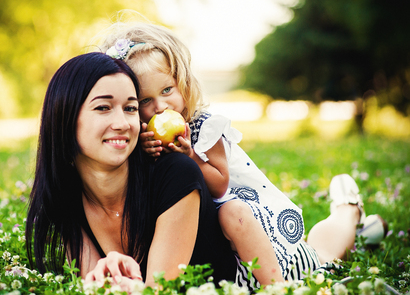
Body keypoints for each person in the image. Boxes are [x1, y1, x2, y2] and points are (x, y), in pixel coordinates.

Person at [98, 21, 388, 290]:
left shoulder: (204, 129)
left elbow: (220, 184)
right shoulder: (141, 137)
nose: (161, 107)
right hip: (223, 249)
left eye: (167, 90)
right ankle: (363, 230)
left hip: (259, 242)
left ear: (183, 84)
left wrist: (191, 157)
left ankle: (346, 209)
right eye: (146, 100)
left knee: (322, 256)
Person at [24, 52, 238, 291]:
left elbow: (158, 291)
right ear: (64, 117)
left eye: (130, 108)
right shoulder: (65, 198)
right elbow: (98, 289)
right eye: (103, 107)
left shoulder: (177, 174)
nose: (123, 123)